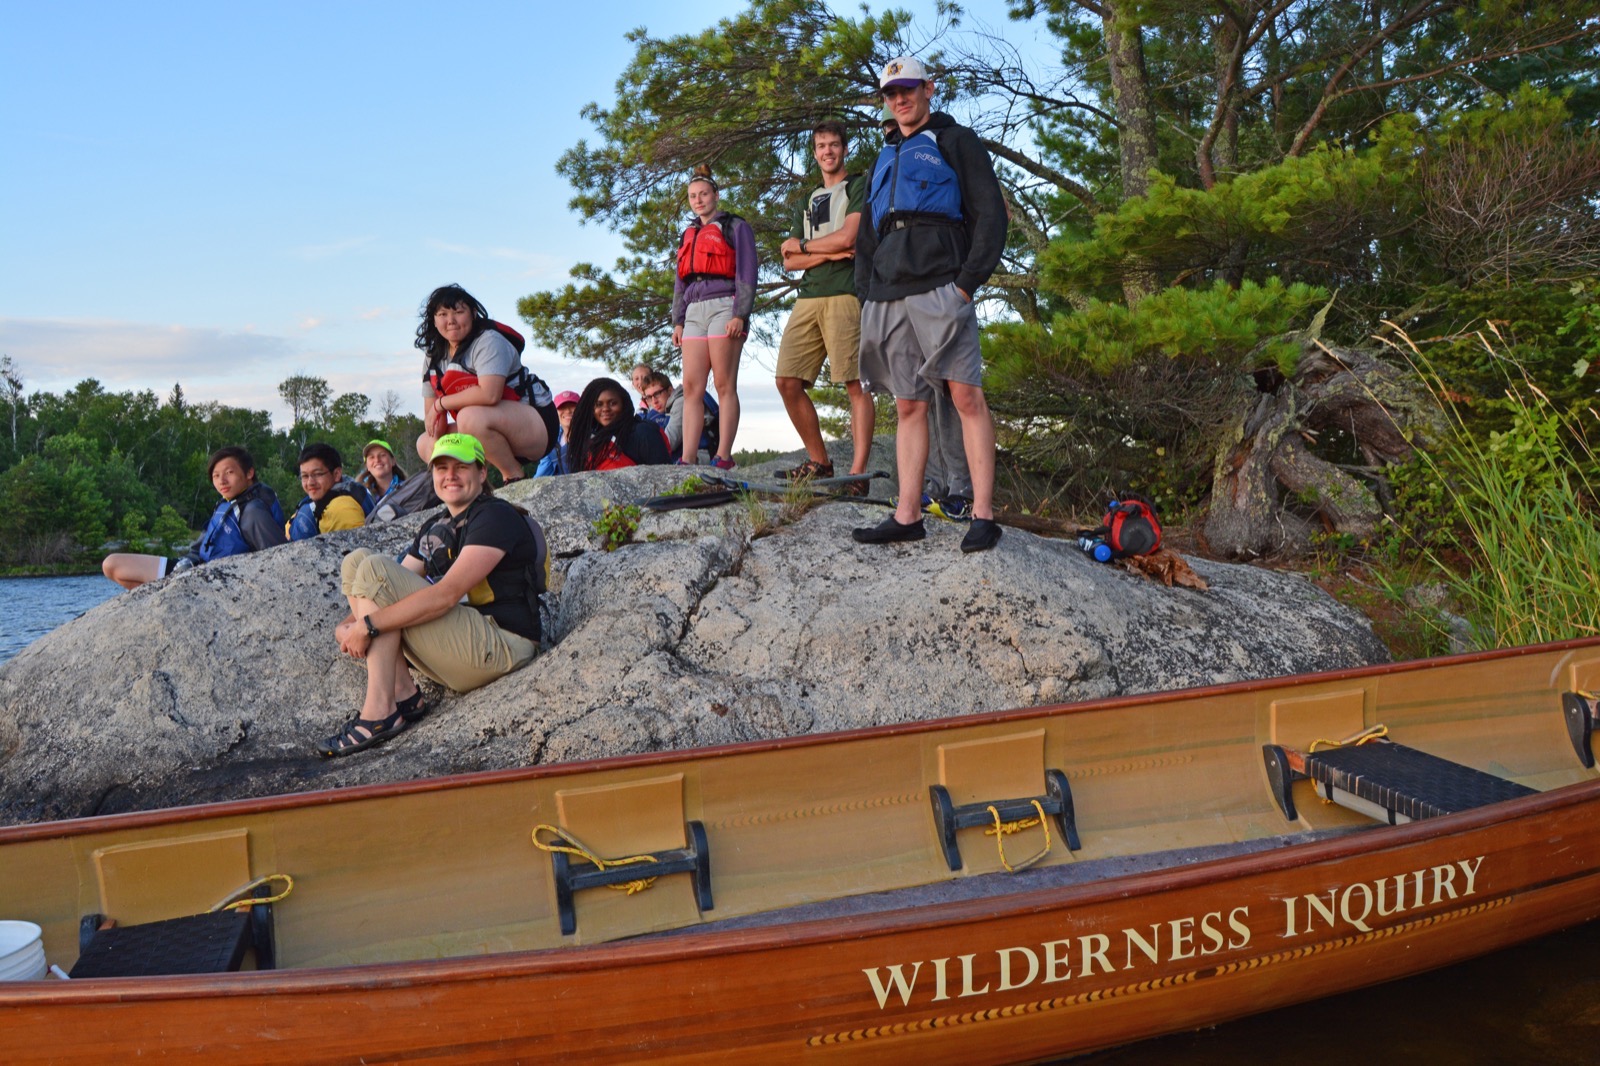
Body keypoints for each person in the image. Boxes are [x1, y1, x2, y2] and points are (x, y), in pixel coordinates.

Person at [852, 56, 1008, 554]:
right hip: (888, 294)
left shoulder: (956, 141)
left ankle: (982, 514)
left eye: (908, 89)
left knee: (966, 397)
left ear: (928, 89)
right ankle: (907, 514)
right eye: (891, 93)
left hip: (942, 286)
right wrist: (865, 294)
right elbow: (868, 236)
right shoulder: (883, 155)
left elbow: (991, 215)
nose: (900, 99)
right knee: (908, 406)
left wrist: (966, 285)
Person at [321, 433, 542, 756]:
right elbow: (388, 587)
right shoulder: (437, 525)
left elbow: (446, 595)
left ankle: (379, 712)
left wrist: (366, 627)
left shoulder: (495, 515)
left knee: (375, 568)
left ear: (482, 473)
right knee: (357, 562)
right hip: (466, 638)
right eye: (441, 468)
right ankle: (403, 692)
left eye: (461, 467)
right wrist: (348, 624)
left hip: (504, 643)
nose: (450, 475)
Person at [775, 120, 874, 490]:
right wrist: (825, 250)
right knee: (787, 380)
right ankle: (820, 462)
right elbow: (788, 260)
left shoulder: (858, 185)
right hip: (809, 296)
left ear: (844, 149)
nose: (828, 151)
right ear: (814, 152)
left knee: (854, 384)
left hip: (845, 294)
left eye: (834, 144)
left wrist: (806, 248)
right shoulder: (807, 199)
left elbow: (852, 237)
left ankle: (857, 473)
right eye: (821, 146)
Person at [415, 284, 556, 483]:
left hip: (535, 423)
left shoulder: (488, 340)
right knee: (426, 443)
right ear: (434, 320)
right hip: (487, 428)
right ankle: (470, 489)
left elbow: (490, 394)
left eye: (458, 312)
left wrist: (440, 404)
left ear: (473, 313)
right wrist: (438, 435)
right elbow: (433, 424)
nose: (451, 321)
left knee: (469, 418)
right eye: (443, 314)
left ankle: (514, 477)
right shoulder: (433, 357)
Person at [101, 446, 286, 589]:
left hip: (214, 582)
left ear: (249, 473)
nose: (221, 481)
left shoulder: (253, 511)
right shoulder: (227, 505)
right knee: (112, 565)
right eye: (216, 476)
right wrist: (187, 562)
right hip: (193, 568)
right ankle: (163, 602)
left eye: (229, 473)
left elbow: (279, 562)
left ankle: (168, 603)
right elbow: (200, 548)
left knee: (115, 566)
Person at [670, 164, 756, 469]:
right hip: (693, 311)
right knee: (692, 387)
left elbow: (747, 272)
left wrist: (740, 314)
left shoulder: (735, 226)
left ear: (715, 195)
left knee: (723, 384)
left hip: (724, 305)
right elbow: (680, 282)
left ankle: (724, 456)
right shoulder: (688, 234)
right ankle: (688, 458)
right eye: (693, 196)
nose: (698, 200)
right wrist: (677, 321)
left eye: (704, 194)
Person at [562, 377, 673, 472]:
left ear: (623, 404)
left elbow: (664, 477)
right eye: (598, 404)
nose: (605, 409)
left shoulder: (643, 432)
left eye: (613, 403)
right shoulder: (589, 441)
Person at [287, 443, 374, 540]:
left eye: (317, 474)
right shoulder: (326, 495)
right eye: (305, 476)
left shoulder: (342, 508)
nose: (310, 482)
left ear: (336, 474)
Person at [642, 370, 719, 460]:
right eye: (649, 397)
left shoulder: (681, 402)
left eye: (657, 394)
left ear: (670, 390)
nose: (654, 401)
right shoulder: (669, 405)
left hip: (703, 455)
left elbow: (669, 442)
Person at [533, 391, 580, 477]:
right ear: (556, 412)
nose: (568, 411)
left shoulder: (592, 438)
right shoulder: (552, 441)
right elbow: (541, 475)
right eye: (562, 407)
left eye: (573, 406)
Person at [357, 439, 407, 506]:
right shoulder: (361, 495)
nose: (377, 460)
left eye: (382, 455)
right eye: (372, 457)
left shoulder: (407, 489)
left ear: (393, 461)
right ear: (367, 466)